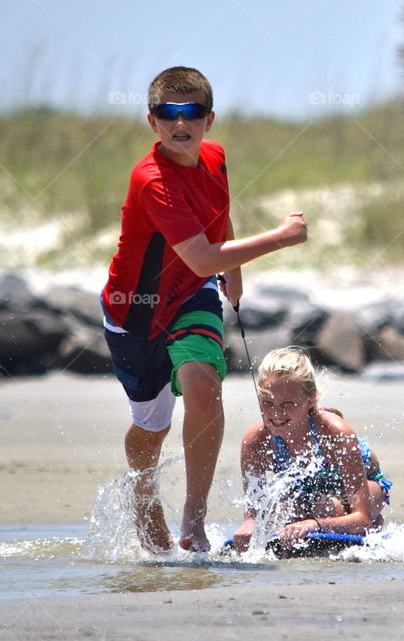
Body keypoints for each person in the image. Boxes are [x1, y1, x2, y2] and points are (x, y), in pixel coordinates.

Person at [100, 67, 308, 553]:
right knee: (152, 425)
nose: (179, 123)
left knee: (202, 383)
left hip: (192, 295)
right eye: (167, 113)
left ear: (208, 119)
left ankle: (194, 519)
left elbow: (218, 216)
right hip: (135, 313)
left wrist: (233, 268)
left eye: (190, 112)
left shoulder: (214, 156)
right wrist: (280, 237)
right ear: (151, 121)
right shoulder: (152, 179)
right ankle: (144, 497)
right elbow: (202, 256)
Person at [231, 347, 392, 552]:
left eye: (287, 404)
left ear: (310, 400)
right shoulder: (255, 441)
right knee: (279, 510)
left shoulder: (336, 434)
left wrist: (313, 525)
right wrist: (250, 525)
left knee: (326, 509)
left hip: (364, 491)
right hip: (306, 493)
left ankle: (368, 523)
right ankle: (330, 520)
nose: (276, 413)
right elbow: (253, 513)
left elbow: (362, 517)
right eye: (267, 403)